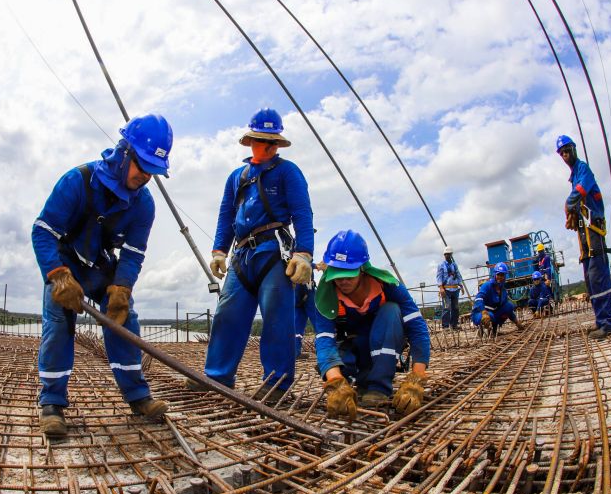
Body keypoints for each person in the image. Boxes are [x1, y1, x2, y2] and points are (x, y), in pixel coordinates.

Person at [31, 114, 172, 437]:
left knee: (126, 321)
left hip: (100, 266)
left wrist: (121, 288)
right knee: (58, 324)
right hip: (66, 263)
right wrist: (58, 275)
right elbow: (42, 231)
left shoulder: (144, 204)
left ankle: (138, 397)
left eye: (154, 171)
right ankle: (52, 403)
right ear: (124, 153)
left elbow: (134, 253)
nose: (146, 176)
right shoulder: (77, 181)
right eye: (143, 166)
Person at [188, 108, 314, 401]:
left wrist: (304, 253)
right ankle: (217, 376)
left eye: (272, 142)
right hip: (242, 255)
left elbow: (302, 213)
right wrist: (219, 250)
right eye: (261, 140)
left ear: (277, 144)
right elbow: (226, 214)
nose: (267, 146)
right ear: (251, 141)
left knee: (276, 317)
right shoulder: (237, 176)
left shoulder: (288, 172)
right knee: (227, 315)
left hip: (273, 251)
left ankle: (277, 384)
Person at [312, 230, 430, 418]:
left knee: (391, 310)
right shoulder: (326, 296)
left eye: (348, 274)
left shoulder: (388, 286)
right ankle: (356, 381)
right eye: (337, 274)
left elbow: (417, 328)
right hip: (353, 349)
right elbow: (324, 339)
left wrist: (417, 378)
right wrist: (335, 382)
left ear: (362, 268)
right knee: (336, 369)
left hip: (382, 347)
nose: (342, 281)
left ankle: (379, 386)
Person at [557, 135, 611, 339]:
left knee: (598, 276)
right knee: (590, 279)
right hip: (585, 234)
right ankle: (601, 321)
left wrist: (569, 203)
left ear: (574, 149)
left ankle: (609, 323)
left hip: (594, 230)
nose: (565, 155)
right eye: (562, 152)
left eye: (567, 150)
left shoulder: (583, 169)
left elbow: (581, 190)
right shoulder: (573, 175)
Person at [471, 262, 524, 336]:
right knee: (490, 316)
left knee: (509, 306)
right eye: (498, 274)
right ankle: (483, 329)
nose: (500, 277)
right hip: (480, 313)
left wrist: (517, 322)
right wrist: (484, 312)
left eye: (502, 275)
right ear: (495, 275)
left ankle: (494, 330)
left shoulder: (503, 291)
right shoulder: (487, 286)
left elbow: (508, 310)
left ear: (505, 276)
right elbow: (479, 299)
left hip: (493, 314)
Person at [436, 246, 464, 329]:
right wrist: (441, 288)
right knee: (446, 308)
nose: (447, 256)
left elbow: (458, 275)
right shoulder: (441, 265)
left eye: (449, 254)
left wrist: (461, 285)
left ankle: (454, 325)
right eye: (446, 254)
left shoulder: (454, 265)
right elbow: (439, 277)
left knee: (455, 308)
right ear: (444, 255)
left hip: (455, 289)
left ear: (451, 255)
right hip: (446, 290)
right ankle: (445, 326)